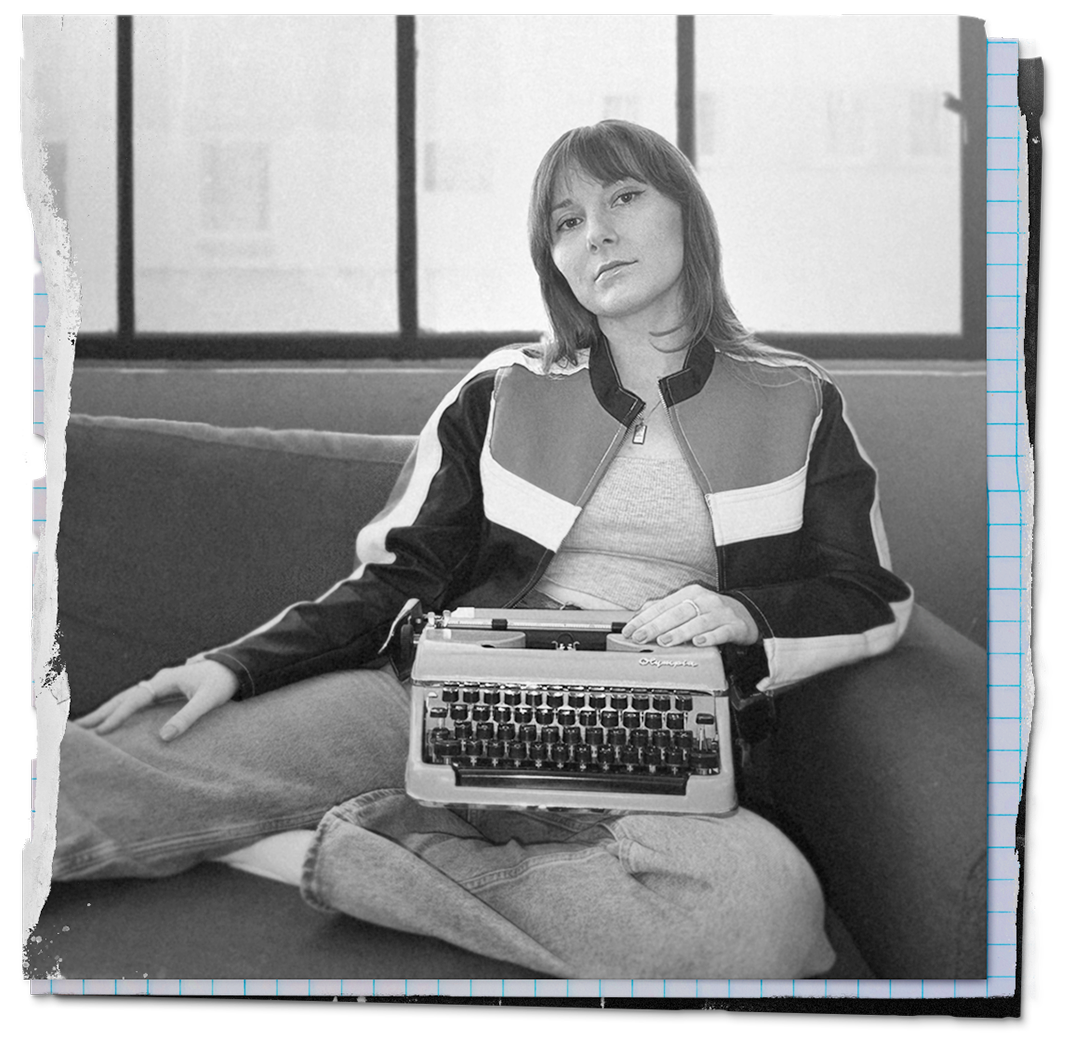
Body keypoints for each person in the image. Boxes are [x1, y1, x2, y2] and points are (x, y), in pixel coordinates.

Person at [53, 120, 913, 980]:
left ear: (687, 212)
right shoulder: (502, 389)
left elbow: (870, 593)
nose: (596, 233)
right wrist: (237, 665)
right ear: (554, 261)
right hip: (444, 690)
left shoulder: (795, 398)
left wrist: (743, 615)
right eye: (565, 222)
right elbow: (398, 575)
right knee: (101, 777)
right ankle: (389, 812)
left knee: (763, 921)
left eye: (622, 197)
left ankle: (354, 846)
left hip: (648, 726)